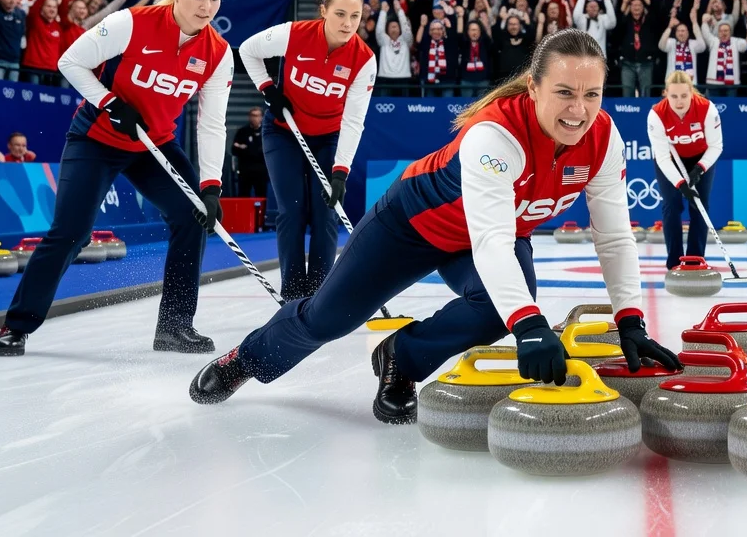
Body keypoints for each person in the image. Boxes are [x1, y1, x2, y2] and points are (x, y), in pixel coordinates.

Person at [189, 30, 680, 424]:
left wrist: (630, 318)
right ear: (533, 88)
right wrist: (529, 326)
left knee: (497, 308)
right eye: (564, 93)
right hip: (411, 226)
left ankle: (402, 359)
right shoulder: (495, 133)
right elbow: (490, 238)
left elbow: (614, 236)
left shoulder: (604, 137)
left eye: (591, 94)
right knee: (327, 319)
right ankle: (246, 360)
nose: (579, 109)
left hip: (487, 237)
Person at [0, 0, 234, 357]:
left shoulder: (219, 52)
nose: (206, 7)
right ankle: (16, 325)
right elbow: (69, 61)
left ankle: (174, 328)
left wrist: (210, 187)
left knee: (192, 218)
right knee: (71, 232)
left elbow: (211, 123)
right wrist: (109, 102)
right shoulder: (132, 23)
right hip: (97, 138)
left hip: (153, 145)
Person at [237, 0, 376, 300]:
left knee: (326, 212)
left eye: (355, 16)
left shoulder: (363, 59)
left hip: (328, 137)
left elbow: (354, 120)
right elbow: (248, 50)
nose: (347, 23)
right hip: (283, 132)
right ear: (323, 11)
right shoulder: (295, 34)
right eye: (340, 14)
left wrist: (340, 171)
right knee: (292, 209)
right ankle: (294, 290)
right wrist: (268, 90)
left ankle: (319, 294)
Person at [647, 70, 724, 270]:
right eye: (673, 96)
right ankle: (674, 261)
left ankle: (694, 259)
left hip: (701, 158)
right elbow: (663, 157)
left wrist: (699, 169)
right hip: (671, 160)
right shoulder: (656, 115)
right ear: (665, 93)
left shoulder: (707, 109)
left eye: (683, 95)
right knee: (671, 205)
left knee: (700, 205)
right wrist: (681, 184)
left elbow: (716, 146)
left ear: (692, 93)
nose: (679, 101)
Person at [230, 107, 267, 197]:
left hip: (261, 170)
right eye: (252, 116)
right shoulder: (242, 131)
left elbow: (263, 152)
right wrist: (253, 150)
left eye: (257, 116)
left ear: (261, 117)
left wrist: (246, 148)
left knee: (261, 195)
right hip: (245, 170)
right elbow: (234, 150)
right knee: (243, 194)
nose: (255, 118)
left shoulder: (265, 132)